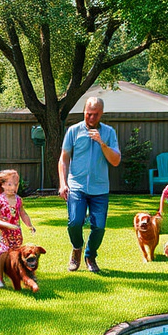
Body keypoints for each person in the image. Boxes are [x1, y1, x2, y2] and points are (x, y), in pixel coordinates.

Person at [58, 97, 121, 273]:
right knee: (75, 223)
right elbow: (63, 159)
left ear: (101, 114)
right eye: (88, 114)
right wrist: (63, 183)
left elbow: (115, 161)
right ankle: (77, 248)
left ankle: (90, 255)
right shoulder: (73, 131)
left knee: (99, 227)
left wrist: (102, 143)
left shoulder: (109, 133)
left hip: (100, 188)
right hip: (76, 185)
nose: (91, 118)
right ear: (84, 111)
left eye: (95, 114)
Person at [0, 169, 37, 287]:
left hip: (14, 233)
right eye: (9, 184)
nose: (12, 187)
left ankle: (20, 275)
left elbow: (23, 214)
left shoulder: (18, 199)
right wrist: (5, 224)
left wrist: (29, 225)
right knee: (3, 253)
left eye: (15, 184)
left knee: (14, 256)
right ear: (3, 185)